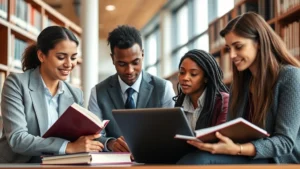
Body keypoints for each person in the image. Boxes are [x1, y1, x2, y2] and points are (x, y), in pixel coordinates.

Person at [177, 12, 300, 164]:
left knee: (197, 161)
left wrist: (237, 149)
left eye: (238, 46)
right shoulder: (240, 83)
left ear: (259, 42)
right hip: (246, 154)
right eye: (229, 48)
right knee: (189, 158)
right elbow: (231, 131)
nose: (232, 55)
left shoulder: (290, 77)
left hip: (279, 159)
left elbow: (285, 142)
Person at [0, 26, 103, 163]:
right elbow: (17, 138)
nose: (69, 64)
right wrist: (68, 147)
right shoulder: (16, 83)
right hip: (19, 164)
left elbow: (76, 139)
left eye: (73, 58)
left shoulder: (75, 94)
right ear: (41, 55)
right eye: (61, 57)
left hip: (58, 164)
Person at [88, 25, 175, 152]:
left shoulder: (163, 88)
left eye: (135, 62)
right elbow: (93, 135)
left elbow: (172, 132)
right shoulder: (98, 92)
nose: (129, 71)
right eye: (122, 64)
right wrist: (111, 143)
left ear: (143, 55)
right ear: (113, 59)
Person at [173, 49, 229, 131]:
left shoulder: (223, 102)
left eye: (193, 74)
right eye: (182, 72)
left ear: (206, 78)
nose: (185, 78)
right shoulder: (179, 104)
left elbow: (221, 139)